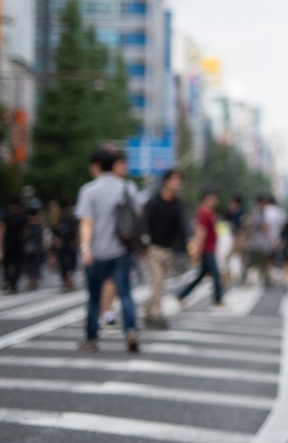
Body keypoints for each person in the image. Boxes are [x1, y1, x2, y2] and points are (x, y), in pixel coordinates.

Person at [76, 146, 143, 353]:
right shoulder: (128, 188)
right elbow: (137, 216)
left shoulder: (89, 190)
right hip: (122, 250)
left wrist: (85, 247)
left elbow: (87, 222)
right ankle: (131, 331)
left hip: (97, 252)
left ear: (96, 166)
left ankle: (91, 339)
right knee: (125, 295)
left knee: (94, 298)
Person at [142, 169, 187, 328]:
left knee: (160, 284)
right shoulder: (154, 202)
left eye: (179, 181)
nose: (177, 184)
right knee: (157, 281)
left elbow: (182, 229)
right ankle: (156, 314)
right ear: (166, 181)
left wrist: (181, 251)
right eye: (174, 180)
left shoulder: (179, 205)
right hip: (153, 249)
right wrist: (144, 245)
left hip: (169, 250)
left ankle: (148, 310)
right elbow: (144, 224)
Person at [178, 190, 224, 308]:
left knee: (201, 276)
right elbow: (200, 232)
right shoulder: (203, 212)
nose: (215, 201)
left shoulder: (208, 212)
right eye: (213, 199)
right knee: (216, 274)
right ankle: (218, 300)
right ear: (207, 198)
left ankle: (181, 295)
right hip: (206, 249)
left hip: (209, 248)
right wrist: (197, 250)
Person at [50, 198, 79, 291]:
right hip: (64, 243)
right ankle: (67, 280)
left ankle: (67, 279)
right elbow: (54, 232)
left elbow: (76, 230)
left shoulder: (69, 217)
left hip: (68, 243)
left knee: (69, 263)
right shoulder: (60, 218)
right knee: (64, 263)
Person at [2, 196, 26, 292]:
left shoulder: (7, 215)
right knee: (15, 265)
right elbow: (25, 231)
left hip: (9, 243)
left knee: (8, 264)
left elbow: (2, 229)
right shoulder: (22, 216)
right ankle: (12, 283)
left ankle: (11, 282)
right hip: (17, 243)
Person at [22, 204, 47, 292]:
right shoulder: (39, 225)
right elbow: (42, 237)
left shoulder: (27, 225)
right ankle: (34, 280)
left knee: (29, 264)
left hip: (29, 247)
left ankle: (31, 281)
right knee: (36, 264)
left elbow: (24, 236)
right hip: (37, 247)